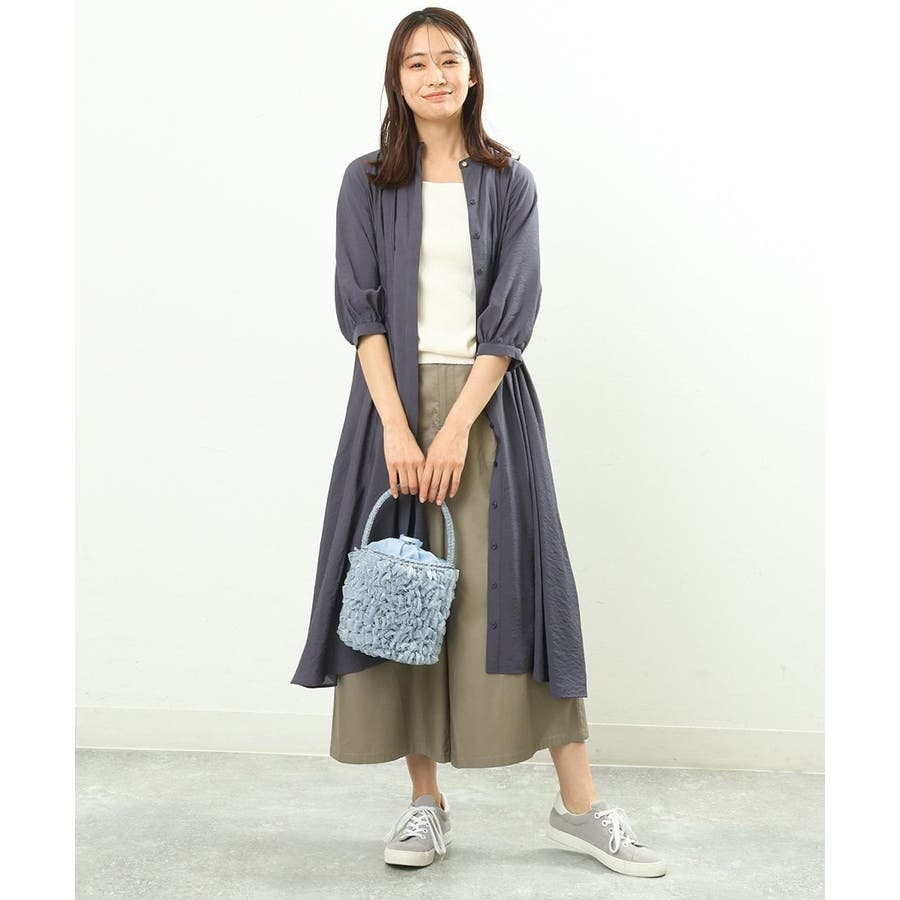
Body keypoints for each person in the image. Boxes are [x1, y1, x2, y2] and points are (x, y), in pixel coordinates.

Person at [291, 8, 666, 878]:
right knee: (402, 594)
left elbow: (512, 315)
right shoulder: (365, 182)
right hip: (388, 409)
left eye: (448, 59)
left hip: (487, 410)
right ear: (396, 80)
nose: (434, 75)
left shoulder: (508, 181)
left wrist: (458, 424)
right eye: (415, 62)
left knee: (520, 595)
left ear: (472, 72)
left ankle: (581, 807)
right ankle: (425, 804)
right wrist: (397, 425)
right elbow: (360, 312)